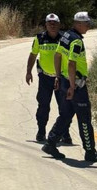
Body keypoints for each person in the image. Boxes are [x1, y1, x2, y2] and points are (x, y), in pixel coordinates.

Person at [42, 11, 97, 164]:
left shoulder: (65, 36)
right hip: (76, 85)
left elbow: (57, 55)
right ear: (78, 24)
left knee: (65, 115)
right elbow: (72, 63)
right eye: (86, 24)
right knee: (84, 118)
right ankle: (90, 152)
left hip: (65, 81)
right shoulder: (76, 41)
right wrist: (73, 86)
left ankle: (50, 143)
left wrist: (58, 77)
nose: (88, 27)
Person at [25, 13, 71, 144]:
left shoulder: (65, 38)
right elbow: (33, 55)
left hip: (62, 78)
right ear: (45, 24)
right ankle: (41, 132)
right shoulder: (39, 38)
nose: (52, 25)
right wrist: (28, 72)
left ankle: (65, 133)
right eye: (49, 23)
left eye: (55, 23)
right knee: (43, 106)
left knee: (64, 107)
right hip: (45, 78)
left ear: (59, 24)